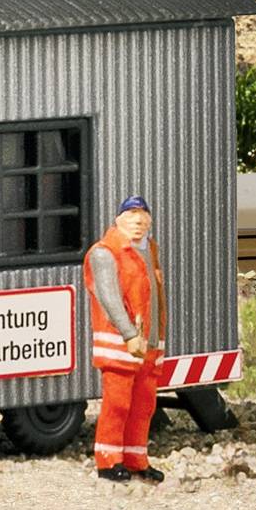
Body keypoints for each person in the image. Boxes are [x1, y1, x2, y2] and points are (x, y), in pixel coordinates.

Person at [83, 194, 165, 483]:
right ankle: (108, 461)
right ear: (119, 221)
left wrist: (154, 340)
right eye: (132, 217)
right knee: (117, 404)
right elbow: (109, 298)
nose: (138, 223)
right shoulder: (105, 253)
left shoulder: (148, 250)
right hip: (120, 346)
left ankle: (135, 459)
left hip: (149, 346)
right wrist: (129, 333)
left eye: (143, 217)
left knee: (144, 406)